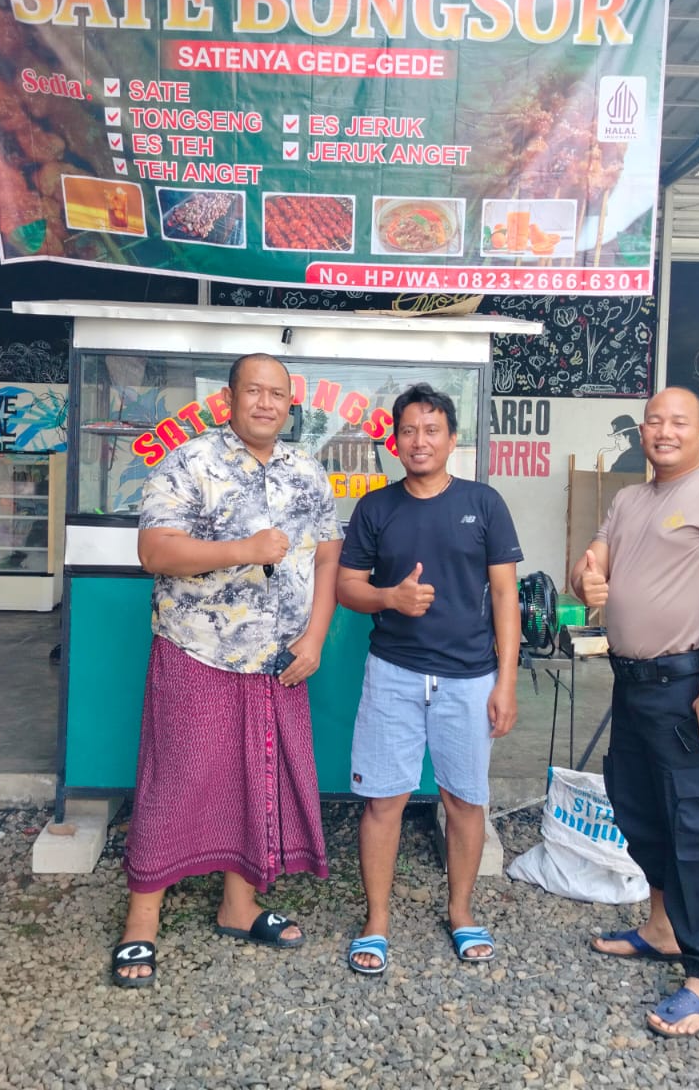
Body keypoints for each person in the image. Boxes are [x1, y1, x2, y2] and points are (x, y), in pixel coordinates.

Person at [111, 353, 343, 989]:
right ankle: (141, 921)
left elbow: (327, 558)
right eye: (253, 391)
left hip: (278, 659)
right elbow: (154, 551)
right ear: (229, 399)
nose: (265, 403)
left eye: (277, 394)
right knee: (176, 779)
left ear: (290, 405)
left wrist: (316, 637)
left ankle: (239, 906)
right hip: (198, 651)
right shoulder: (190, 461)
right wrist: (244, 549)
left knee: (259, 780)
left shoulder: (306, 471)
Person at [570, 386, 699, 1039]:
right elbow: (592, 566)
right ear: (642, 432)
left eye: (679, 421)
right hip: (632, 686)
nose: (664, 430)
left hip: (688, 688)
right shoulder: (628, 500)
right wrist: (586, 577)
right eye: (654, 420)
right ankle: (662, 929)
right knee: (641, 812)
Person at [335, 384, 522, 975]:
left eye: (432, 430)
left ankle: (461, 912)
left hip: (469, 679)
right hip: (393, 674)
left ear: (452, 439)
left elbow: (505, 595)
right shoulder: (376, 508)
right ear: (395, 441)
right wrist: (389, 597)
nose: (420, 441)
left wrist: (507, 682)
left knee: (465, 801)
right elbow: (346, 587)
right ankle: (376, 921)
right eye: (409, 431)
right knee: (383, 801)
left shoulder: (484, 503)